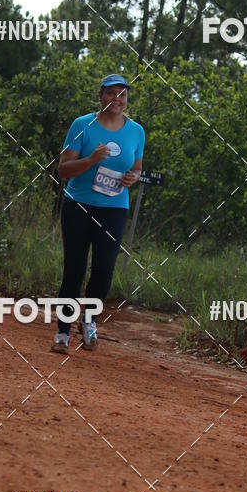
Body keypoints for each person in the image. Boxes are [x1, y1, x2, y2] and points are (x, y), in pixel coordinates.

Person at [53, 73, 145, 353]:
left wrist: (133, 177)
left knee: (104, 270)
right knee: (75, 270)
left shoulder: (136, 131)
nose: (116, 99)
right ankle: (62, 333)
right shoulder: (83, 125)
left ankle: (89, 320)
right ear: (100, 95)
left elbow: (137, 166)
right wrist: (91, 160)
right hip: (79, 205)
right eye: (111, 93)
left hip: (114, 208)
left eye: (122, 94)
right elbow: (63, 169)